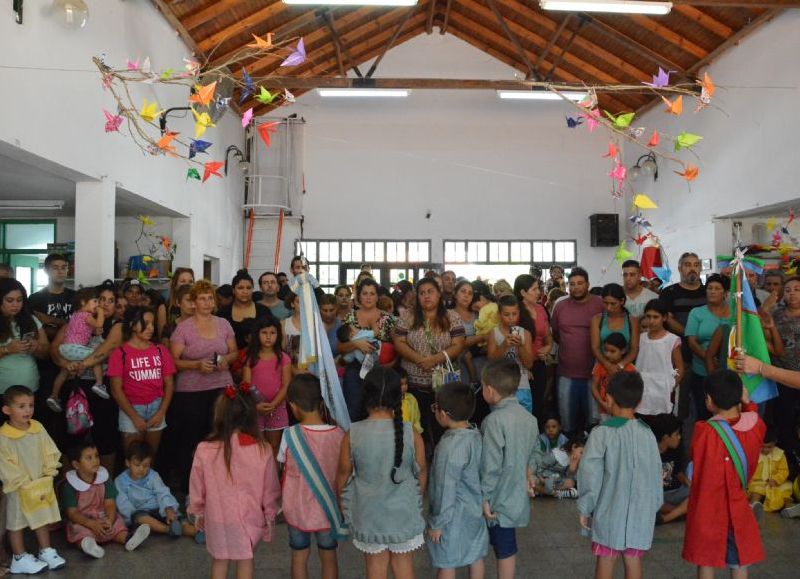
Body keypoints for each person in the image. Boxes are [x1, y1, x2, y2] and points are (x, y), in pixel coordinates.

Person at [337, 367, 427, 579]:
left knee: (375, 570)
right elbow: (421, 473)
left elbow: (342, 476)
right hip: (404, 513)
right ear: (399, 396)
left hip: (368, 514)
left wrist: (345, 508)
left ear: (365, 394)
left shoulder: (352, 434)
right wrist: (416, 500)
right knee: (404, 568)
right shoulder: (411, 433)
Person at [188, 386, 281, 579]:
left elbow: (197, 487)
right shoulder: (262, 449)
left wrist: (197, 512)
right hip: (249, 520)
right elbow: (270, 490)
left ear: (219, 415)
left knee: (219, 561)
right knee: (245, 560)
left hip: (216, 519)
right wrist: (269, 515)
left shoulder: (204, 449)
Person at [578, 372, 662, 579]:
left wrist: (585, 508)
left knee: (606, 560)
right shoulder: (648, 434)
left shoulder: (601, 433)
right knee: (634, 560)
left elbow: (590, 474)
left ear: (608, 397)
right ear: (640, 401)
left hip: (609, 513)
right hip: (641, 515)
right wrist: (654, 506)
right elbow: (656, 474)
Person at [682, 370, 766, 576]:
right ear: (739, 397)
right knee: (739, 563)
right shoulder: (755, 426)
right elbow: (753, 415)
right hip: (738, 508)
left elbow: (694, 455)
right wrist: (747, 403)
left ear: (709, 400)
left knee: (706, 560)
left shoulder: (704, 431)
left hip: (707, 510)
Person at [168, 280, 237, 492]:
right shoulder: (183, 328)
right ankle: (192, 489)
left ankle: (222, 486)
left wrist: (226, 360)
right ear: (194, 302)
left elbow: (234, 352)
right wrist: (196, 365)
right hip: (191, 393)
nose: (207, 303)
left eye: (210, 298)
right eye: (202, 298)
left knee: (222, 437)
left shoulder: (223, 324)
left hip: (221, 387)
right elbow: (173, 361)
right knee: (192, 440)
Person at [278, 375, 346, 579]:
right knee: (329, 557)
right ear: (321, 402)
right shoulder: (339, 434)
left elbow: (282, 463)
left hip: (297, 509)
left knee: (299, 556)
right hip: (328, 510)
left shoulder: (289, 435)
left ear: (293, 405)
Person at [479, 359, 541, 579]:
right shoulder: (530, 419)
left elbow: (491, 465)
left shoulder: (492, 421)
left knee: (483, 547)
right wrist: (530, 473)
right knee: (507, 548)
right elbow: (535, 454)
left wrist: (484, 497)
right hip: (514, 498)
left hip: (495, 500)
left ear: (489, 390)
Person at [0, 385, 65, 574]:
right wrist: (21, 482)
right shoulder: (4, 436)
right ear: (6, 410)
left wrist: (48, 471)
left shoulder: (38, 428)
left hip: (39, 484)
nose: (27, 410)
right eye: (21, 406)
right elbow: (5, 463)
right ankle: (19, 557)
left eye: (30, 405)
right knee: (16, 521)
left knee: (41, 517)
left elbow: (49, 449)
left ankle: (46, 551)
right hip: (18, 487)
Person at [394, 278, 465, 448]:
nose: (426, 296)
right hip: (412, 384)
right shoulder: (407, 316)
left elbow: (458, 345)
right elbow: (399, 342)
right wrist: (419, 360)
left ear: (439, 294)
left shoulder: (452, 317)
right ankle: (419, 459)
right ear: (417, 296)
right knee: (416, 428)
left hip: (442, 385)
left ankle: (441, 458)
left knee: (442, 428)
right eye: (422, 293)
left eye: (430, 292)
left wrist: (433, 360)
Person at [427, 382, 488, 578]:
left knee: (447, 562)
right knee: (475, 556)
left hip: (451, 517)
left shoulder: (448, 446)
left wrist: (437, 523)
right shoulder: (476, 435)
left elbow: (445, 488)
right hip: (475, 512)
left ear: (443, 414)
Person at [62, 441, 151, 559]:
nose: (95, 460)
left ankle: (128, 539)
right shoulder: (70, 486)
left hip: (103, 516)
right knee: (79, 530)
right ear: (76, 464)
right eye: (89, 458)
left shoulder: (105, 480)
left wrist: (109, 519)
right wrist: (91, 524)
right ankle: (88, 545)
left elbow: (110, 504)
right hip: (83, 520)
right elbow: (72, 513)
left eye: (96, 456)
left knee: (117, 524)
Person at [107, 307, 176, 455]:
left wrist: (161, 412)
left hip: (157, 407)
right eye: (146, 323)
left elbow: (169, 384)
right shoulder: (120, 353)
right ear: (132, 324)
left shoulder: (160, 350)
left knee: (149, 458)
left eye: (153, 323)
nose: (151, 328)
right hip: (130, 408)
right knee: (134, 460)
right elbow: (116, 390)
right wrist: (134, 417)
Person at [551, 267, 604, 433]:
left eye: (580, 283)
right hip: (566, 374)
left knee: (595, 424)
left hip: (595, 374)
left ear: (588, 284)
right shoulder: (560, 306)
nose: (576, 287)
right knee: (566, 423)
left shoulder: (600, 304)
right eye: (572, 284)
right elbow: (556, 335)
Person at [340, 278, 397, 421]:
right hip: (355, 369)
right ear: (359, 296)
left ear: (378, 296)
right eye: (364, 293)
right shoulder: (350, 317)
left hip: (382, 370)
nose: (368, 297)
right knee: (354, 410)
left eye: (372, 293)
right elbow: (339, 347)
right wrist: (356, 344)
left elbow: (398, 346)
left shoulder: (388, 318)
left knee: (380, 412)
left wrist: (391, 365)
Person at [114, 441, 196, 538]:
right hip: (141, 513)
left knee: (178, 519)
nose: (141, 469)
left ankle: (198, 533)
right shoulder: (119, 481)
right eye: (137, 465)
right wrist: (132, 516)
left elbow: (162, 492)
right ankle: (168, 530)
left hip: (159, 509)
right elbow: (123, 504)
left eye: (146, 466)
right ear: (127, 463)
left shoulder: (153, 475)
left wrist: (168, 509)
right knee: (139, 517)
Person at [659, 252, 706, 419]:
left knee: (705, 403)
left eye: (695, 265)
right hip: (680, 357)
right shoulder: (669, 292)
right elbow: (668, 320)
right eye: (687, 265)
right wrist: (691, 335)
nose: (692, 269)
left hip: (705, 356)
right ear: (680, 268)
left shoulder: (709, 292)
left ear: (700, 268)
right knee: (680, 405)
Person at [48, 287, 107, 412]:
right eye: (95, 301)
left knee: (64, 372)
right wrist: (101, 312)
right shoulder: (86, 315)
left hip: (65, 349)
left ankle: (54, 396)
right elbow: (99, 324)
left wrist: (96, 331)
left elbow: (88, 331)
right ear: (83, 302)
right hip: (75, 348)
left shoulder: (75, 315)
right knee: (96, 357)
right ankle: (99, 384)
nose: (98, 304)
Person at [242, 317, 291, 458]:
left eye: (272, 333)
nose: (268, 337)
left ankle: (273, 478)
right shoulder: (251, 358)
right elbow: (246, 386)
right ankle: (259, 476)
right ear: (257, 334)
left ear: (278, 335)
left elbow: (286, 384)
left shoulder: (284, 358)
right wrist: (256, 405)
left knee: (274, 447)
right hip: (255, 408)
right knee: (258, 446)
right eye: (264, 332)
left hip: (277, 408)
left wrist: (274, 404)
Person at [686, 274, 731, 421]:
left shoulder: (734, 313)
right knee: (704, 412)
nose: (712, 291)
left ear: (725, 293)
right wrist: (709, 359)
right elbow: (692, 341)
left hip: (729, 370)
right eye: (709, 288)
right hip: (702, 371)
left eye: (717, 288)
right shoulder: (696, 312)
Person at [513, 275, 554, 423]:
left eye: (539, 288)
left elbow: (547, 335)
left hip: (539, 363)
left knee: (538, 403)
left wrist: (548, 346)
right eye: (534, 289)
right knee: (523, 406)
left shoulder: (541, 309)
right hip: (521, 367)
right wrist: (525, 367)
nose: (538, 292)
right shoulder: (515, 312)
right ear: (523, 292)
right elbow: (514, 343)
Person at [0, 279, 49, 395]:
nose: (15, 305)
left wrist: (36, 348)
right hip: (3, 388)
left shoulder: (31, 320)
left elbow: (47, 352)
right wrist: (7, 349)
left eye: (19, 300)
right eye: (9, 300)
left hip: (29, 387)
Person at [486, 295, 534, 413]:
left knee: (523, 421)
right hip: (499, 386)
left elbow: (529, 364)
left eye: (514, 314)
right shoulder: (494, 333)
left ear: (519, 313)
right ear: (499, 314)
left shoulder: (525, 333)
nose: (511, 318)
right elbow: (491, 361)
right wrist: (504, 345)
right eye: (506, 314)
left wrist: (520, 346)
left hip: (521, 384)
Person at [636, 300, 684, 416]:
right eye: (648, 316)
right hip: (642, 389)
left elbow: (679, 368)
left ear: (664, 318)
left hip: (663, 391)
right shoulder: (641, 338)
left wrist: (671, 384)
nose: (651, 321)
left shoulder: (672, 340)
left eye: (655, 317)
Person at [769, 275, 800, 453]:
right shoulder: (775, 314)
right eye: (788, 290)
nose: (792, 294)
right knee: (784, 419)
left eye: (797, 290)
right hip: (782, 375)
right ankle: (788, 459)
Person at [590, 284, 639, 384]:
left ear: (622, 301)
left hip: (625, 368)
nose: (608, 307)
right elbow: (595, 347)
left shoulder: (632, 321)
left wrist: (620, 365)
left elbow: (634, 349)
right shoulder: (597, 320)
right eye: (605, 303)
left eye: (613, 304)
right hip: (601, 368)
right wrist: (607, 365)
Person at [647, 413, 690, 524]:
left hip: (675, 492)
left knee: (699, 494)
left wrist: (690, 484)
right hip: (657, 497)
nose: (679, 437)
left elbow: (678, 472)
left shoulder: (675, 449)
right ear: (666, 437)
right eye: (676, 434)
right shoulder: (649, 453)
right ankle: (680, 513)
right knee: (650, 502)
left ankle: (668, 517)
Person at [219, 269, 273, 350]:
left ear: (252, 289)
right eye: (240, 288)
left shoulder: (264, 311)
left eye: (248, 288)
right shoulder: (222, 313)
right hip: (228, 359)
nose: (245, 291)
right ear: (233, 290)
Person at [27, 253, 74, 342]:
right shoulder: (35, 298)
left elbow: (81, 324)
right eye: (55, 268)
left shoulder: (75, 296)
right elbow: (35, 329)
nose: (60, 271)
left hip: (71, 347)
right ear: (46, 271)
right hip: (44, 348)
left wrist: (51, 320)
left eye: (63, 267)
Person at [591, 332, 636, 420]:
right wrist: (602, 403)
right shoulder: (600, 366)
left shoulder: (630, 369)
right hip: (604, 410)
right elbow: (594, 386)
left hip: (623, 412)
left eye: (612, 351)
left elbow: (634, 393)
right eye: (606, 350)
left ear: (623, 351)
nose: (608, 354)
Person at [748, 427, 793, 515]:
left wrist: (776, 479)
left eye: (769, 447)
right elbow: (748, 469)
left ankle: (789, 508)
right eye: (762, 446)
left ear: (774, 443)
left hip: (775, 483)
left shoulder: (780, 454)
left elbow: (784, 471)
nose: (765, 450)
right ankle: (752, 507)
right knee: (756, 492)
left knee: (785, 491)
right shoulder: (753, 453)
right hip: (758, 482)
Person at [533, 434, 585, 499]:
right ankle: (552, 492)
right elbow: (542, 464)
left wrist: (572, 470)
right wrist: (541, 477)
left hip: (558, 480)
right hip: (547, 476)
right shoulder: (557, 454)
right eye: (581, 452)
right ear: (574, 447)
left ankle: (554, 492)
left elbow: (570, 477)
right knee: (539, 482)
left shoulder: (575, 461)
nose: (582, 456)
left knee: (571, 483)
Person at [160, 267, 195, 334]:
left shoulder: (198, 306)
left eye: (190, 282)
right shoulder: (164, 308)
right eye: (183, 281)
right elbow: (163, 338)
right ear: (175, 284)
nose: (187, 284)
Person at [397, 367, 422, 434]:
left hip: (412, 434)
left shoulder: (411, 398)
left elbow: (417, 419)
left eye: (406, 384)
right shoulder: (390, 401)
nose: (404, 387)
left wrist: (416, 432)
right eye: (401, 384)